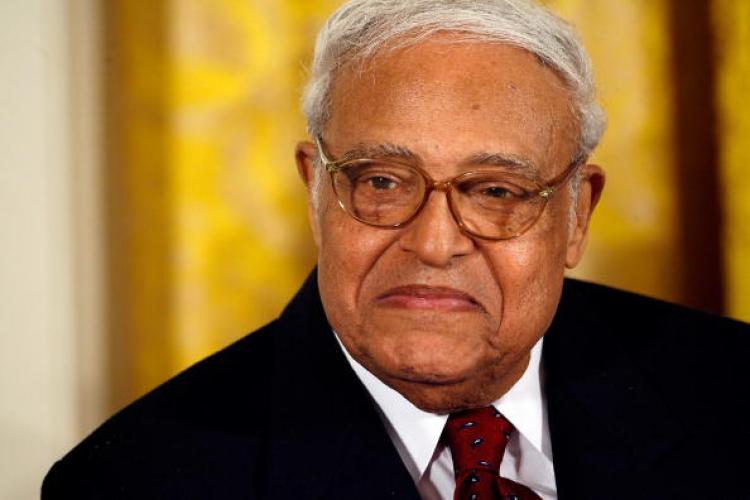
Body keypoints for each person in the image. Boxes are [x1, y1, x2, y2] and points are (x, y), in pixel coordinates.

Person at [43, 0, 749, 499]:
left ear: (576, 214)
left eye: (497, 191)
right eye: (382, 181)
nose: (435, 243)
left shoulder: (736, 395)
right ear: (316, 190)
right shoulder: (134, 480)